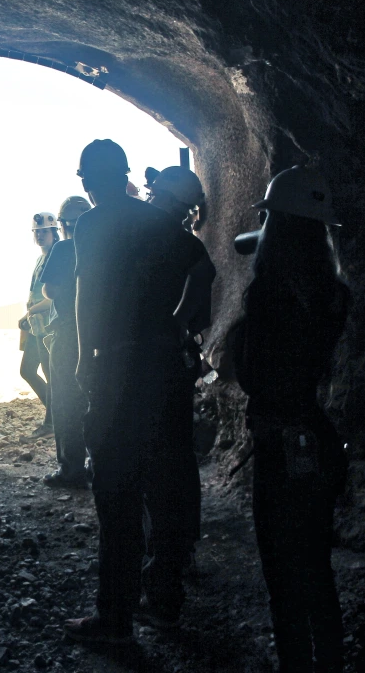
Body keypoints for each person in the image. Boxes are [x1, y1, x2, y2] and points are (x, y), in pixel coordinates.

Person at [64, 140, 213, 645]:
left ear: (90, 179)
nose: (85, 185)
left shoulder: (92, 222)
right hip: (165, 366)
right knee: (167, 482)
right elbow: (204, 268)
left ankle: (115, 619)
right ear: (125, 173)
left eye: (86, 177)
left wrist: (85, 356)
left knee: (117, 492)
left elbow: (87, 295)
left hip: (118, 365)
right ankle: (166, 601)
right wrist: (179, 321)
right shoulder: (162, 224)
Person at [230, 166, 349, 672]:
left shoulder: (267, 296)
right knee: (316, 566)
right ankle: (331, 663)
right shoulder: (333, 294)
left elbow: (254, 375)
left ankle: (297, 666)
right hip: (316, 437)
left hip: (279, 444)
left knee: (282, 571)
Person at [147, 166, 217, 564]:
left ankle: (166, 548)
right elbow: (201, 310)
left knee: (160, 452)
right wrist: (180, 320)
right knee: (177, 449)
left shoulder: (166, 240)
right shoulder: (185, 243)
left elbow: (203, 274)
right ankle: (181, 540)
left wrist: (171, 321)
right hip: (177, 357)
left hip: (156, 359)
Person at [37, 196, 93, 488]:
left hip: (69, 334)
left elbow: (50, 290)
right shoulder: (101, 247)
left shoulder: (62, 249)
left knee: (66, 402)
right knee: (97, 400)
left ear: (62, 225)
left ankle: (71, 469)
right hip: (101, 333)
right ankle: (99, 462)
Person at [20, 211, 58, 438]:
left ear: (54, 232)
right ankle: (57, 415)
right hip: (36, 324)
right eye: (37, 232)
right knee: (27, 370)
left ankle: (52, 423)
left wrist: (31, 311)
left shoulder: (57, 257)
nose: (40, 236)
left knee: (49, 372)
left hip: (49, 324)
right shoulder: (40, 259)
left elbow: (53, 296)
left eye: (44, 231)